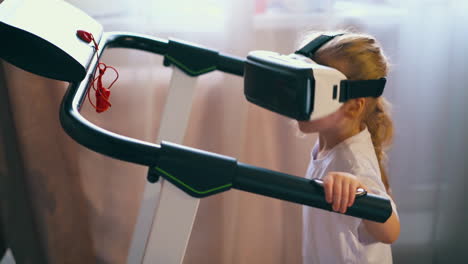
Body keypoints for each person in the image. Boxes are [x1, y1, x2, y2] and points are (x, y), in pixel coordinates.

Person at [299, 31, 400, 264]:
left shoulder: (353, 164)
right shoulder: (327, 143)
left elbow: (391, 230)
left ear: (353, 107)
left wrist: (358, 190)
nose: (301, 98)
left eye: (315, 92)